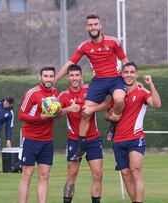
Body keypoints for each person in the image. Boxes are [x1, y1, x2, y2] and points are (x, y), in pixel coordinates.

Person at [56, 13, 129, 160]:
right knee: (85, 111)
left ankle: (114, 121)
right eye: (90, 25)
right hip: (98, 81)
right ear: (87, 28)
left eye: (95, 24)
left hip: (115, 79)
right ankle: (81, 147)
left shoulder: (113, 42)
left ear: (100, 26)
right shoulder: (84, 46)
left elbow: (125, 60)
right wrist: (54, 81)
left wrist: (131, 80)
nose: (93, 27)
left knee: (119, 99)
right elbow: (70, 64)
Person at [106, 62, 161, 203]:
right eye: (126, 72)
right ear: (122, 74)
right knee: (125, 174)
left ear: (136, 74)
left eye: (132, 72)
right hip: (118, 140)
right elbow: (108, 114)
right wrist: (110, 117)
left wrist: (151, 85)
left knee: (135, 171)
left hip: (136, 138)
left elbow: (157, 104)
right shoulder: (117, 94)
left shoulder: (142, 91)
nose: (129, 75)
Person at [58, 64, 107, 203]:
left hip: (93, 139)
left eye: (77, 75)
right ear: (67, 77)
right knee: (72, 174)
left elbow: (107, 103)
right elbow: (55, 114)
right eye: (72, 75)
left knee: (98, 174)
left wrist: (93, 109)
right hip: (74, 139)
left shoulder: (90, 90)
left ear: (81, 76)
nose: (75, 78)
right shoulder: (63, 95)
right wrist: (68, 109)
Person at [17, 66, 59, 203]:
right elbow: (21, 115)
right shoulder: (32, 93)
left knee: (44, 175)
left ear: (54, 77)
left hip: (47, 141)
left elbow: (55, 114)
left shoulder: (55, 92)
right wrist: (39, 118)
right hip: (31, 139)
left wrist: (57, 112)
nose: (48, 79)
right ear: (40, 77)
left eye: (51, 76)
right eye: (45, 76)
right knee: (27, 174)